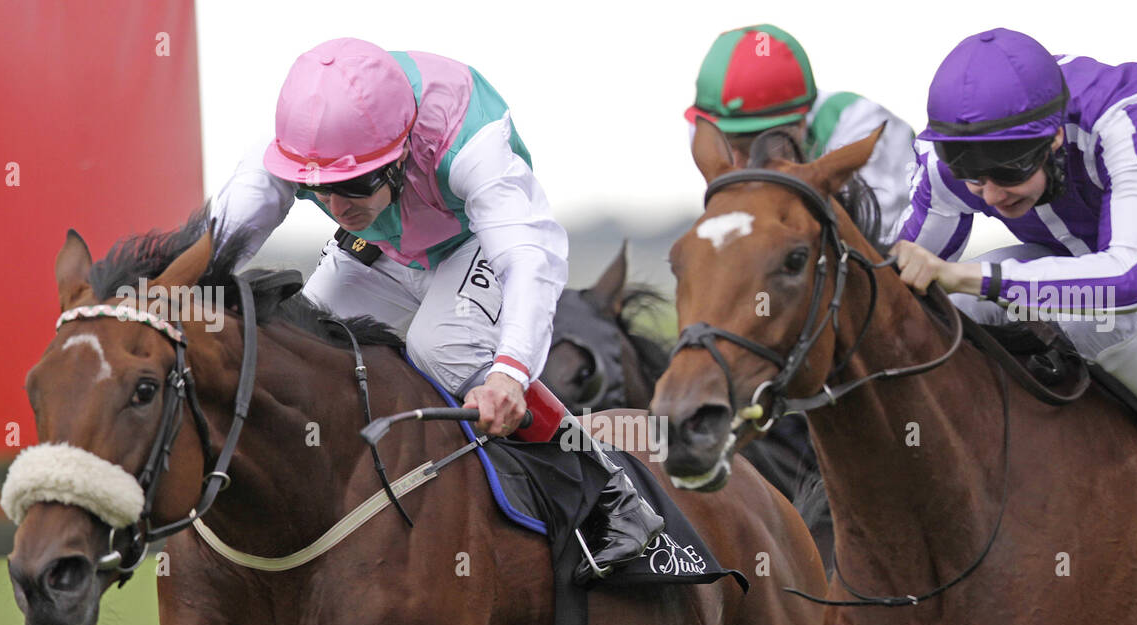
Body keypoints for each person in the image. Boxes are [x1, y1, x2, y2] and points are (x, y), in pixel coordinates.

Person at [211, 37, 662, 582]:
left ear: (401, 152)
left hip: (472, 242)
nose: (335, 205)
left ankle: (608, 489)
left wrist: (510, 374)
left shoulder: (471, 143)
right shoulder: (298, 140)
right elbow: (219, 240)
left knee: (440, 344)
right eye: (318, 188)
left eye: (352, 184)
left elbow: (527, 259)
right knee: (300, 349)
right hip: (383, 247)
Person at [891, 27, 1137, 591]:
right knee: (958, 312)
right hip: (1070, 258)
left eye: (1010, 170)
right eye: (974, 176)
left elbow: (1129, 280)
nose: (990, 194)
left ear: (1055, 141)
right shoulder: (950, 159)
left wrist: (971, 274)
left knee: (1093, 315)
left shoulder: (1131, 113)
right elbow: (902, 292)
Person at [684, 23, 915, 238]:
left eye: (752, 143)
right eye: (724, 142)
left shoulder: (861, 124)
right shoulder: (700, 126)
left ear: (801, 122)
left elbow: (884, 240)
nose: (735, 163)